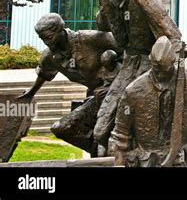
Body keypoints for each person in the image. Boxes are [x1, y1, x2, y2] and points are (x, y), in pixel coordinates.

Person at [93, 0, 184, 149]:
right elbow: (102, 24)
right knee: (101, 125)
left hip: (151, 61)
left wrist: (171, 69)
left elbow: (173, 37)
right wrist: (103, 9)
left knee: (140, 108)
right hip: (130, 59)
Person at [17, 13, 122, 155]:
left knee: (103, 130)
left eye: (49, 37)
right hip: (97, 97)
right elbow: (44, 74)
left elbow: (129, 49)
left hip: (120, 90)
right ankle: (104, 152)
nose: (47, 43)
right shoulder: (50, 56)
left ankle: (107, 149)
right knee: (62, 128)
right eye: (42, 39)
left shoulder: (90, 38)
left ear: (61, 30)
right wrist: (31, 91)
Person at [108, 36, 187, 167]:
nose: (160, 74)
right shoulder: (133, 91)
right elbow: (120, 138)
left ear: (173, 62)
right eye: (156, 69)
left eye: (164, 69)